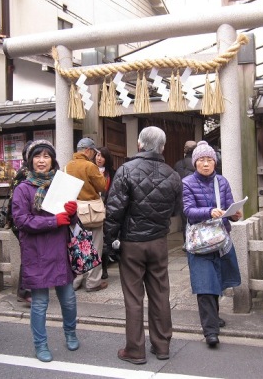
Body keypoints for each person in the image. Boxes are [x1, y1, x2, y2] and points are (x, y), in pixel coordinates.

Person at [104, 126, 182, 364]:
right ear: (163, 147)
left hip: (132, 242)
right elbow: (177, 210)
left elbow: (114, 210)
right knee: (160, 293)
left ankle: (135, 349)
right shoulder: (173, 175)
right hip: (159, 240)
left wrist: (110, 242)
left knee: (134, 297)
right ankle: (162, 346)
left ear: (139, 144)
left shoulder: (126, 170)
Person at [11, 140, 79, 363]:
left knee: (68, 300)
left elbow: (70, 223)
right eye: (37, 156)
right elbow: (21, 221)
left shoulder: (60, 186)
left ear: (53, 160)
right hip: (36, 253)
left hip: (60, 252)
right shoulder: (23, 189)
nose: (41, 161)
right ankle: (40, 345)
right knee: (40, 303)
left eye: (46, 156)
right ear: (30, 161)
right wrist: (54, 221)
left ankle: (70, 332)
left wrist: (72, 213)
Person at [182, 141, 242, 348]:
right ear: (195, 162)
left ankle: (213, 317)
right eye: (201, 160)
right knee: (204, 284)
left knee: (217, 279)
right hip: (199, 242)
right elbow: (188, 211)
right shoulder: (187, 182)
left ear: (215, 162)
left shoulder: (222, 182)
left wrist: (234, 215)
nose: (206, 164)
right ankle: (210, 331)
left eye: (209, 160)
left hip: (220, 239)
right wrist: (209, 211)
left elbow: (229, 207)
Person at [65, 137, 107, 292]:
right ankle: (93, 282)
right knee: (95, 247)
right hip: (92, 212)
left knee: (77, 246)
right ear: (88, 150)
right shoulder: (90, 166)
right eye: (93, 152)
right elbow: (102, 185)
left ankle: (76, 281)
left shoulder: (67, 166)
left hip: (75, 212)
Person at [5, 140, 32, 303]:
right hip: (22, 220)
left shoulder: (25, 171)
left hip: (24, 219)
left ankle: (26, 289)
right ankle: (24, 291)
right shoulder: (26, 173)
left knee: (30, 253)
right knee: (29, 254)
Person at [94, 146, 116, 279]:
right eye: (97, 155)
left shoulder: (112, 173)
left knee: (105, 239)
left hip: (107, 208)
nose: (99, 158)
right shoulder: (90, 170)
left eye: (102, 156)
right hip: (93, 208)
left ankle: (104, 267)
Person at [173, 140, 197, 243]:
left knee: (185, 223)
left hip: (183, 198)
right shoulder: (199, 164)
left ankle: (187, 245)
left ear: (185, 150)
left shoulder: (178, 165)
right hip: (198, 197)